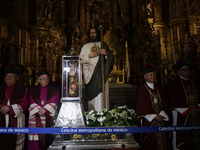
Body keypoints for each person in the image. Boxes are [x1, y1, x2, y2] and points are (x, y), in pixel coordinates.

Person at [80, 27, 114, 112]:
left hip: (101, 75)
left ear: (97, 34)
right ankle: (93, 117)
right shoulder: (85, 46)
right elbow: (80, 59)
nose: (92, 34)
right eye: (91, 33)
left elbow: (111, 59)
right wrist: (89, 56)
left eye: (94, 32)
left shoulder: (102, 44)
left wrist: (106, 54)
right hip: (90, 77)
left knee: (102, 95)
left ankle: (103, 116)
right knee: (92, 98)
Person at [135, 64, 169, 150]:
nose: (153, 76)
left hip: (161, 119)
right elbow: (141, 104)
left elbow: (165, 102)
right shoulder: (141, 89)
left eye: (154, 74)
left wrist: (161, 114)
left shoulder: (160, 88)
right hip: (149, 120)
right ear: (145, 77)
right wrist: (154, 116)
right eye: (151, 75)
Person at [169, 60, 200, 150]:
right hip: (182, 115)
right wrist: (189, 110)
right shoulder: (174, 84)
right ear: (178, 72)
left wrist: (197, 109)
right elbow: (173, 100)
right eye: (183, 69)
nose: (186, 70)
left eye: (188, 69)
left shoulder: (195, 83)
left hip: (197, 115)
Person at [27, 70, 59, 150]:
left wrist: (45, 110)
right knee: (35, 138)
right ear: (38, 80)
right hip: (36, 116)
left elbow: (55, 100)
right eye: (43, 78)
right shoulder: (32, 89)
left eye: (47, 78)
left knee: (49, 136)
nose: (46, 80)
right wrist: (38, 110)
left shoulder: (54, 89)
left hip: (48, 115)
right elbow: (30, 100)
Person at [0, 63, 29, 150]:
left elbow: (25, 103)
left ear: (17, 78)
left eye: (12, 76)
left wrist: (10, 109)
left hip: (16, 120)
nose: (9, 78)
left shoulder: (22, 90)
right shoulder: (0, 88)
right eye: (7, 76)